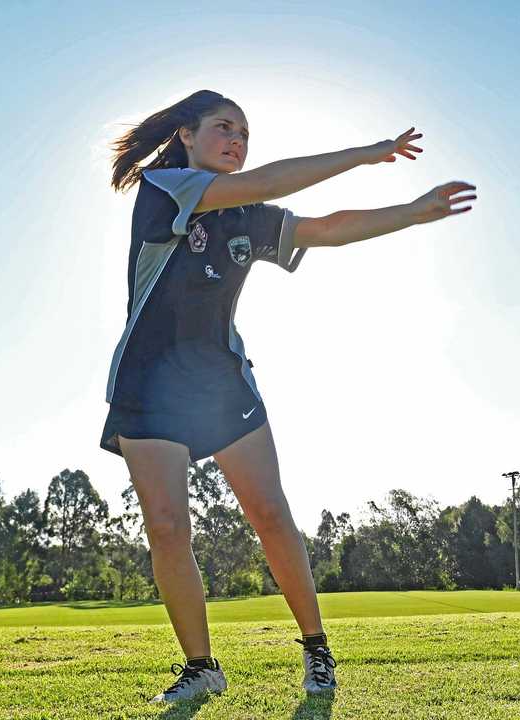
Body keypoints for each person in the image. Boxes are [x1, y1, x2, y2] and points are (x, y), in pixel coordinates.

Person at [101, 89, 476, 704]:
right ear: (187, 136)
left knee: (270, 516)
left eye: (245, 133)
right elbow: (273, 180)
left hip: (222, 382)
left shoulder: (248, 217)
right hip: (149, 381)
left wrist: (412, 210)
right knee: (167, 527)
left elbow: (327, 228)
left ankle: (317, 649)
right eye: (224, 127)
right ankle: (201, 667)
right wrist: (368, 152)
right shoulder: (163, 187)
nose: (237, 140)